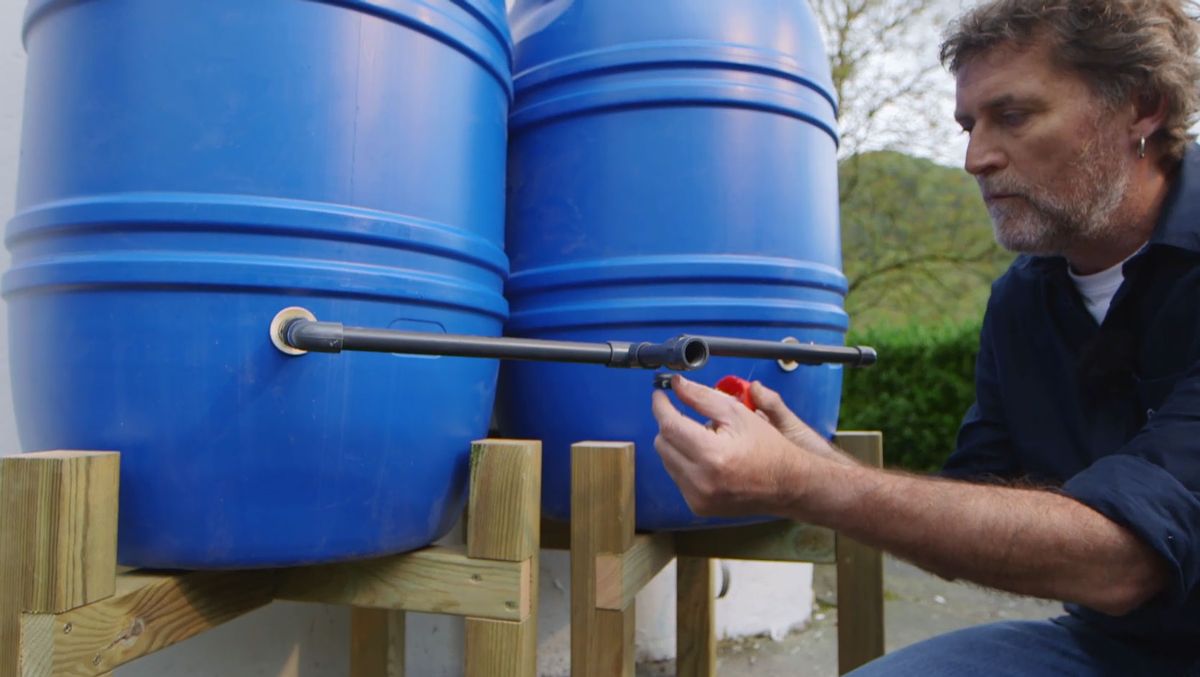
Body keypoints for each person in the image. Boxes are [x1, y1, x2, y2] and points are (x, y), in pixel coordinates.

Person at [650, 0, 1200, 673]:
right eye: (968, 124)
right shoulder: (1021, 301)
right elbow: (965, 510)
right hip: (1114, 648)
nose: (974, 158)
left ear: (1140, 105)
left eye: (1013, 115)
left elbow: (1125, 560)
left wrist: (801, 483)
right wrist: (820, 465)